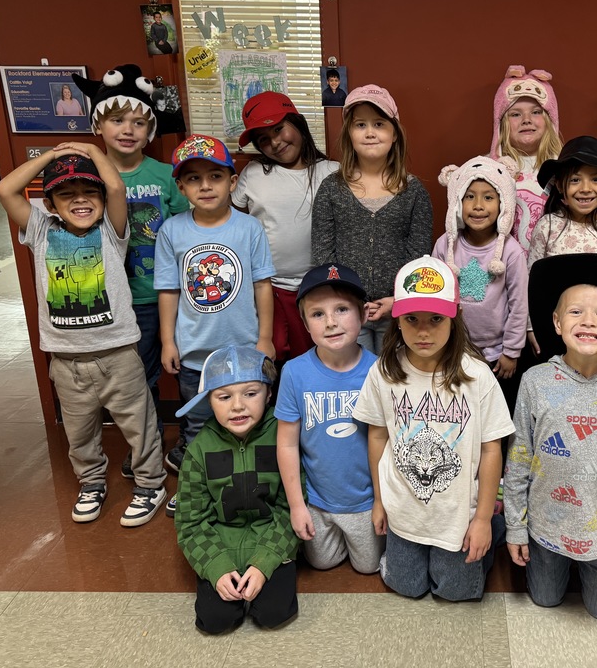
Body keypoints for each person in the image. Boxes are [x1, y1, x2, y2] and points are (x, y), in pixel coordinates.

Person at [0, 147, 167, 526]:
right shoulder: (41, 230)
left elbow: (117, 189)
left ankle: (151, 484)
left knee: (140, 426)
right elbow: (6, 190)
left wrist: (90, 150)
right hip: (67, 361)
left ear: (102, 201)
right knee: (79, 434)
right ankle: (91, 483)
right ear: (51, 204)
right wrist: (52, 156)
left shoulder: (112, 231)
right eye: (67, 194)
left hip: (119, 354)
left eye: (89, 192)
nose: (80, 200)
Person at [503, 253, 597, 621]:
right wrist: (515, 528)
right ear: (556, 323)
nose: (588, 321)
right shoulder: (536, 381)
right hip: (545, 527)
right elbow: (519, 456)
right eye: (575, 312)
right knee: (545, 601)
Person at [353, 255, 515, 601]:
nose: (423, 331)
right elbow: (378, 435)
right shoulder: (383, 371)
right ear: (396, 320)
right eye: (412, 319)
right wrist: (380, 501)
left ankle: (497, 525)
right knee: (407, 587)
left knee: (455, 592)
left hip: (457, 512)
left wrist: (483, 519)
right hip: (404, 508)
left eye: (435, 319)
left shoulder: (477, 375)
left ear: (454, 316)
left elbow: (491, 449)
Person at [72, 64, 189, 478]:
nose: (128, 129)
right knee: (133, 381)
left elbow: (186, 231)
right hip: (116, 300)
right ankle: (147, 447)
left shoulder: (164, 176)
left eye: (139, 122)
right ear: (98, 125)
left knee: (175, 368)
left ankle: (179, 442)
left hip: (165, 294)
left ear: (150, 129)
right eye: (117, 120)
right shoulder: (86, 177)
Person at [154, 134, 275, 514]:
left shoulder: (249, 228)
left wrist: (266, 338)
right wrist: (168, 341)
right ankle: (195, 488)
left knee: (249, 423)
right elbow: (170, 291)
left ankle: (251, 485)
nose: (205, 186)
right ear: (180, 186)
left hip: (244, 352)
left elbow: (262, 285)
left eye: (215, 177)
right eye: (193, 179)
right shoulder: (172, 231)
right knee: (197, 427)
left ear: (232, 182)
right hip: (195, 357)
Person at [174, 346, 299, 634]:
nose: (238, 406)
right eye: (224, 396)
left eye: (251, 393)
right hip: (220, 545)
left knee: (274, 613)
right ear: (209, 400)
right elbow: (190, 522)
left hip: (270, 540)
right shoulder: (198, 450)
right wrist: (215, 566)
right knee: (216, 622)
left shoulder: (284, 439)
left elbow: (291, 507)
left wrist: (265, 562)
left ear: (269, 394)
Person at [276, 263, 383, 573]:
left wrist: (382, 501)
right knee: (322, 564)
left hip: (364, 502)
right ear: (305, 322)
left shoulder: (378, 371)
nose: (331, 323)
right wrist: (297, 506)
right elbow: (286, 445)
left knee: (368, 567)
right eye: (318, 314)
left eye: (341, 309)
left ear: (364, 314)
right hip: (318, 501)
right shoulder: (295, 372)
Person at [311, 84, 433, 354]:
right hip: (346, 313)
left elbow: (420, 258)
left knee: (396, 382)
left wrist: (398, 300)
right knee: (357, 384)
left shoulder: (414, 192)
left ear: (394, 134)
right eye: (360, 125)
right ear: (349, 134)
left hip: (400, 311)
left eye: (379, 124)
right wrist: (347, 302)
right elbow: (322, 255)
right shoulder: (332, 189)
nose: (369, 133)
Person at [234, 91, 340, 364]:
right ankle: (275, 403)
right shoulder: (254, 174)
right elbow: (231, 222)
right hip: (271, 286)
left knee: (318, 350)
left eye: (279, 129)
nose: (275, 143)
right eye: (263, 140)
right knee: (275, 350)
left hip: (322, 283)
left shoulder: (333, 171)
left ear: (298, 123)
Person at [527, 136, 597, 354]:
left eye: (596, 180)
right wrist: (531, 327)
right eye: (575, 180)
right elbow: (532, 282)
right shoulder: (547, 226)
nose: (585, 188)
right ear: (560, 186)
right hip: (554, 329)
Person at [432, 156, 528, 397]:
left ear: (503, 203)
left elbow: (519, 305)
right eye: (469, 196)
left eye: (488, 197)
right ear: (456, 202)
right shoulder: (445, 245)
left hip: (497, 355)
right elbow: (435, 298)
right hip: (453, 350)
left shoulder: (511, 251)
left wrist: (511, 352)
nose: (478, 205)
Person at [487, 66, 564, 253]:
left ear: (550, 120)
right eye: (515, 114)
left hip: (553, 269)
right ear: (501, 124)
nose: (526, 120)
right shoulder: (488, 169)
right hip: (504, 271)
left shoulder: (565, 169)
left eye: (536, 112)